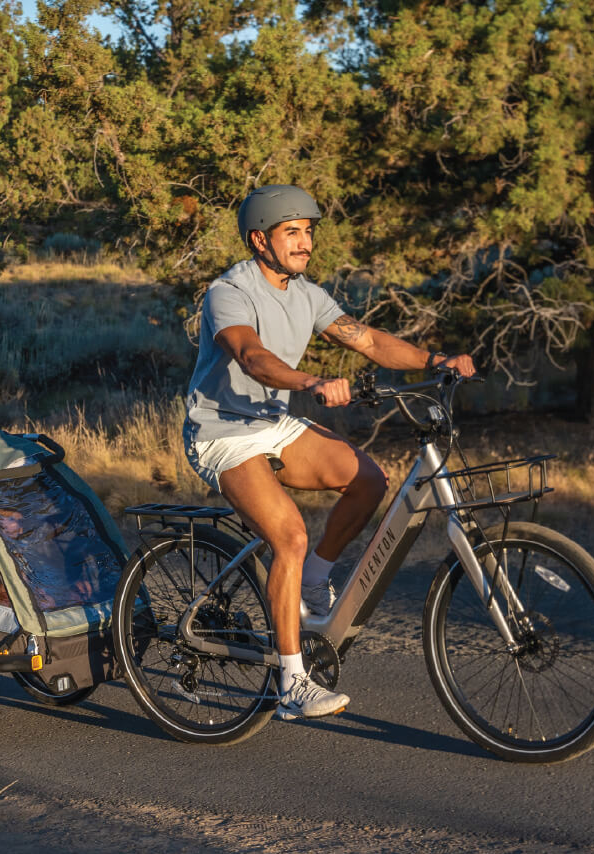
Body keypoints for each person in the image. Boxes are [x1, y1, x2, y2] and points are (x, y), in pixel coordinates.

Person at [183, 184, 476, 722]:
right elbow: (252, 357)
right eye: (292, 231)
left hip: (272, 424)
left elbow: (368, 341)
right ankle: (293, 683)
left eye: (309, 231)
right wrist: (313, 379)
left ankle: (314, 581)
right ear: (260, 240)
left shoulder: (309, 295)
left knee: (369, 479)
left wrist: (436, 359)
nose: (305, 242)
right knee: (289, 537)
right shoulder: (229, 292)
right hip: (221, 432)